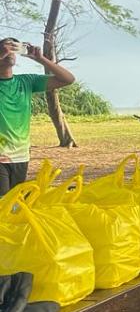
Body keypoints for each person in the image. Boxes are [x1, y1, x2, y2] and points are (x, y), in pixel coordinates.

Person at [0, 37, 75, 195]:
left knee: (14, 205)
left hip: (21, 155)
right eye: (5, 47)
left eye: (14, 47)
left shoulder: (26, 81)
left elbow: (68, 79)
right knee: (3, 205)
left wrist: (41, 59)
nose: (10, 51)